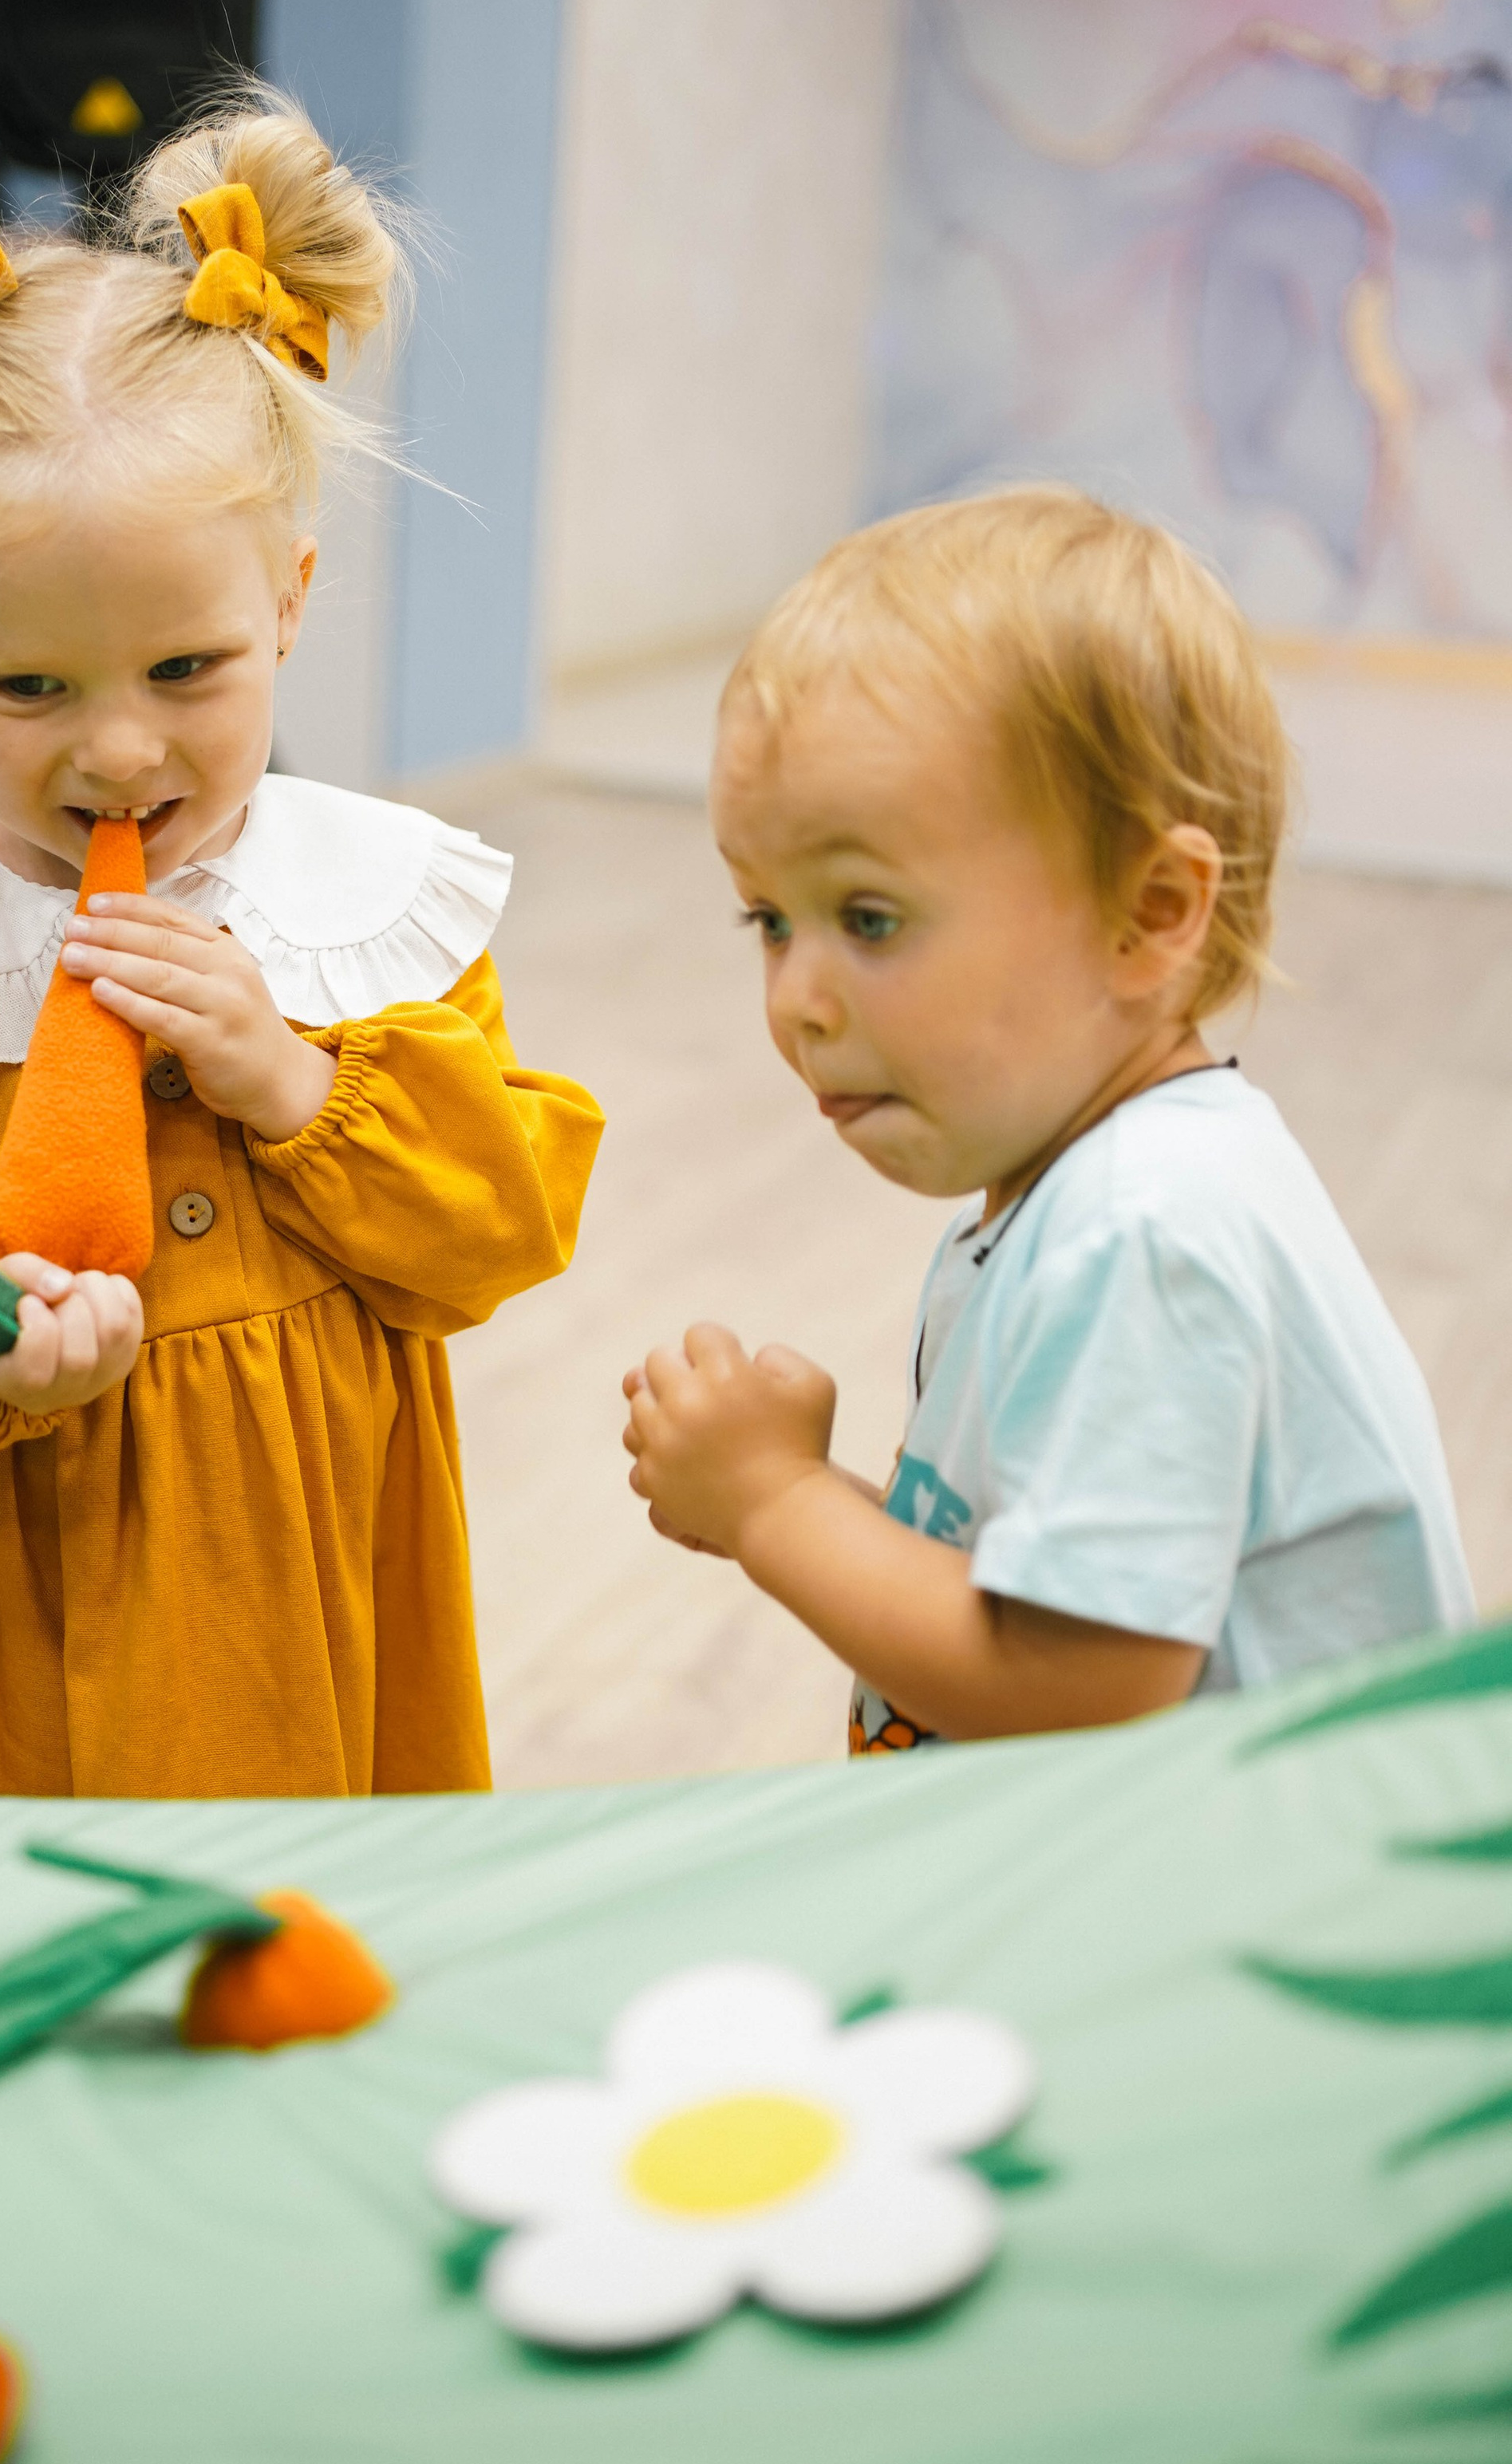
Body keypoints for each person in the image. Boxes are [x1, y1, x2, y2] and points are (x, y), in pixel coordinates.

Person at [0, 91, 604, 1798]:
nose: (116, 752)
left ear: (288, 607)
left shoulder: (372, 912)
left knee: (299, 1941)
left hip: (317, 1576)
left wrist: (293, 1083)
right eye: (28, 689)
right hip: (8, 1588)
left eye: (187, 672)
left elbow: (498, 1230)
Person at [622, 487, 1473, 1748]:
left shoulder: (1145, 1232)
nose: (797, 1000)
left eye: (868, 919)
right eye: (770, 920)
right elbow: (1028, 1592)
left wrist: (774, 1501)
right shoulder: (1106, 1182)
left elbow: (1073, 1683)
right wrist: (814, 1507)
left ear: (1151, 914)